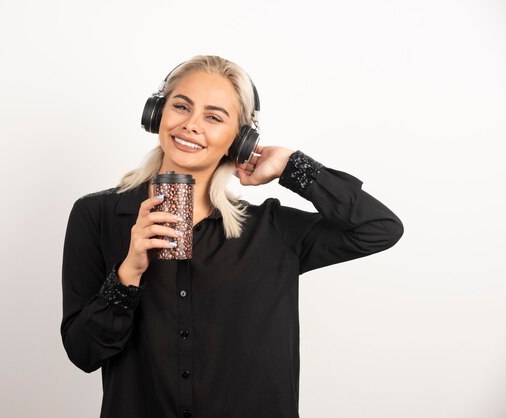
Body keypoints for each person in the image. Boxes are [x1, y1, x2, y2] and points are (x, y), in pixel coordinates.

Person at [60, 55, 403, 418]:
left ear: (239, 140)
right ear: (157, 114)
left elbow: (379, 228)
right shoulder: (95, 216)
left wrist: (292, 165)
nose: (191, 125)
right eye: (181, 106)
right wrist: (128, 273)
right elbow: (84, 353)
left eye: (213, 116)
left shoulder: (272, 231)